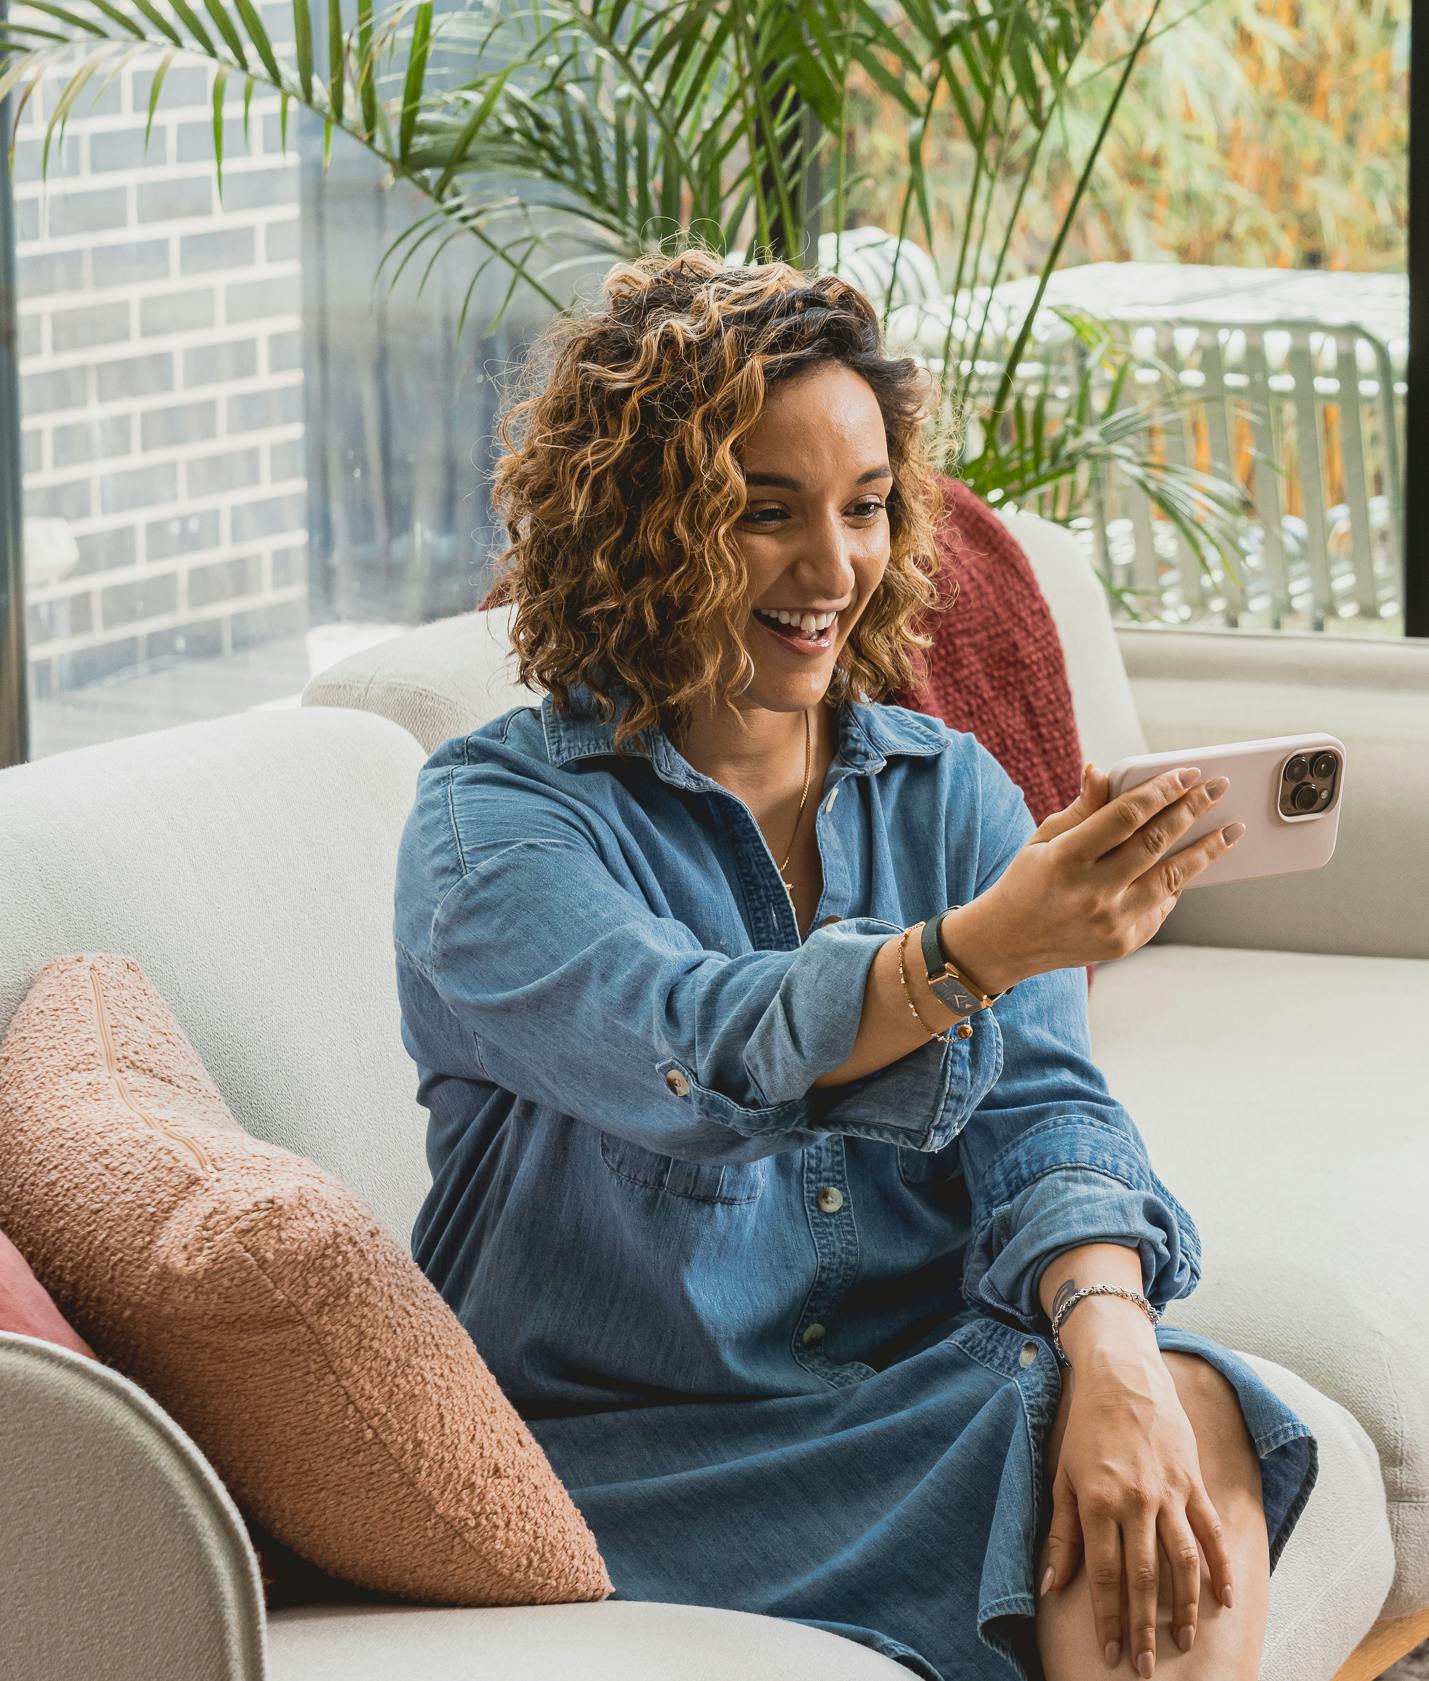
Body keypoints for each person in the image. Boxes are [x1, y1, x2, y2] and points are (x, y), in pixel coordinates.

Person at [392, 244, 1318, 1681]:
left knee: (1180, 1412)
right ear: (636, 526)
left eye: (867, 507)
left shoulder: (946, 791)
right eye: (764, 513)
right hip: (613, 1463)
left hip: (900, 1399)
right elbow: (695, 1043)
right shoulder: (490, 827)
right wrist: (969, 953)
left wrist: (1113, 1338)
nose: (832, 570)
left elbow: (1041, 1113)